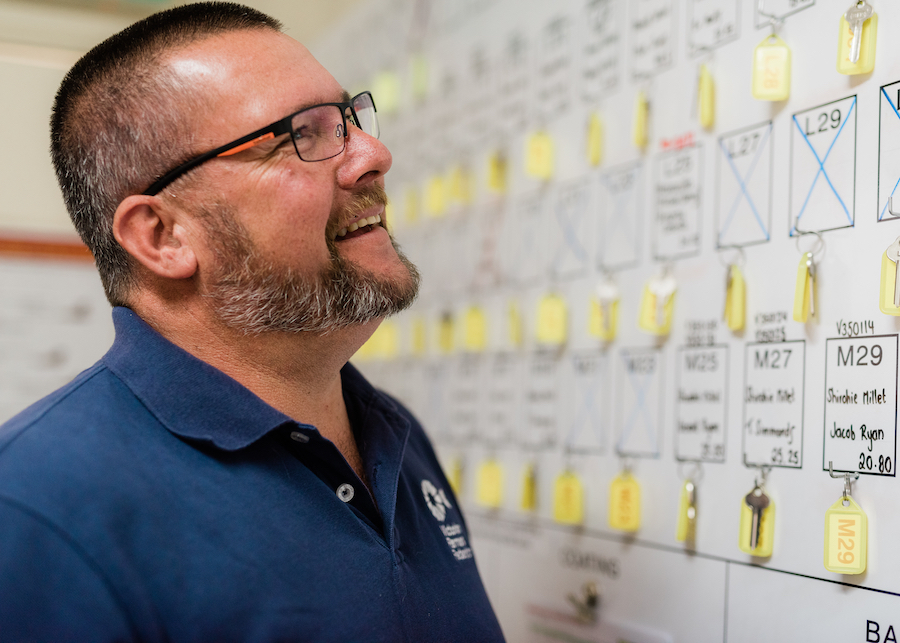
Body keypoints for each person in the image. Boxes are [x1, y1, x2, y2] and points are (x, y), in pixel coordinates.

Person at [0, 3, 505, 641]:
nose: (374, 155)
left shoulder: (395, 440)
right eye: (305, 133)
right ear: (163, 235)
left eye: (350, 118)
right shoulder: (34, 509)